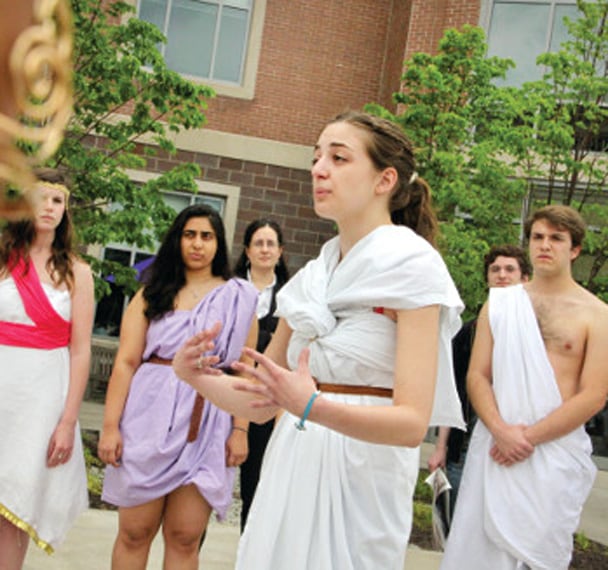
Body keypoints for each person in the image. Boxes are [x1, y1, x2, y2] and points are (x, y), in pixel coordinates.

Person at [173, 111, 465, 570]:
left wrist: (311, 406)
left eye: (339, 157)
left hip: (364, 474)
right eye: (316, 157)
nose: (318, 169)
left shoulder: (415, 267)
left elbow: (411, 424)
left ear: (384, 179)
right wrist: (191, 375)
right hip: (293, 458)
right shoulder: (312, 277)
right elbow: (261, 401)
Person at [441, 205, 608, 570]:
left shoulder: (597, 314)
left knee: (539, 555)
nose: (545, 245)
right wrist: (501, 431)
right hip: (495, 447)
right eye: (537, 237)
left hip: (552, 455)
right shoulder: (500, 304)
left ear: (575, 249)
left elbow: (594, 394)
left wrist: (527, 438)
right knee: (477, 552)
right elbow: (477, 376)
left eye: (556, 238)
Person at [97, 204, 258, 570]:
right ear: (177, 240)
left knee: (185, 536)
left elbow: (244, 368)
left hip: (206, 423)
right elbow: (126, 362)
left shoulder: (238, 297)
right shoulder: (152, 292)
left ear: (219, 243)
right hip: (148, 417)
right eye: (189, 235)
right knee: (135, 531)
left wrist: (240, 430)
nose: (197, 244)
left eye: (207, 236)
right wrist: (110, 427)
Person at [0, 168, 94, 567]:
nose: (49, 208)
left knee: (14, 508)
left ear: (65, 211)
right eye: (41, 198)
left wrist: (67, 421)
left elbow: (81, 351)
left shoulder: (79, 273)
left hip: (40, 403)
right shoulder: (2, 261)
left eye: (58, 200)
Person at [427, 244, 531, 514]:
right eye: (495, 269)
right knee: (459, 522)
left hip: (516, 447)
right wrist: (440, 447)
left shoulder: (536, 333)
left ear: (525, 278)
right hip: (464, 445)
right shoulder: (468, 334)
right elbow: (453, 392)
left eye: (510, 269)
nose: (502, 275)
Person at [233, 218, 290, 531]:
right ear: (247, 250)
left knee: (256, 490)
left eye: (271, 244)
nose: (265, 250)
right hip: (223, 396)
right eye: (259, 243)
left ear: (280, 251)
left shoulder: (289, 298)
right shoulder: (228, 290)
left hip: (265, 405)